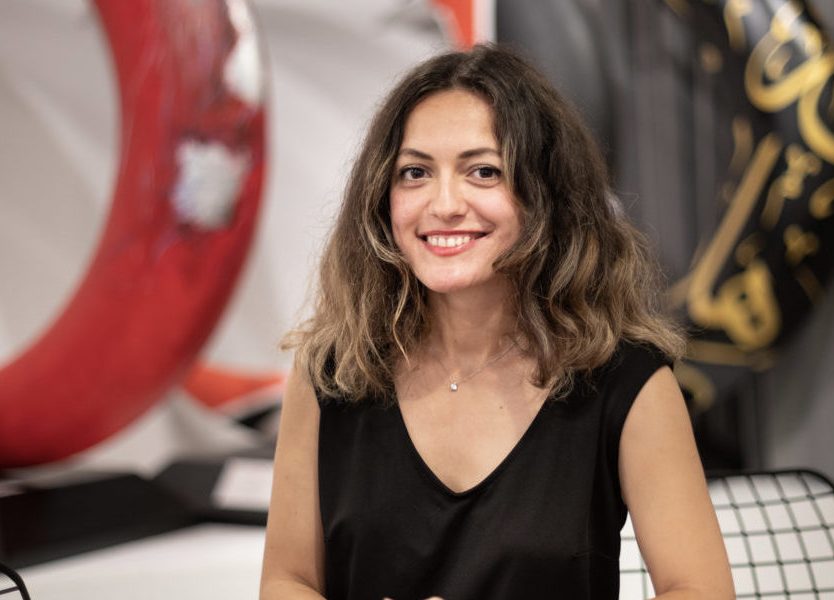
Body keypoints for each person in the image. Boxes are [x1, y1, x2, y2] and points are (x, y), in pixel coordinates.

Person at [259, 44, 734, 600]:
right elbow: (286, 581)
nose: (444, 204)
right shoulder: (331, 372)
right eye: (415, 173)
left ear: (547, 194)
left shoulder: (628, 382)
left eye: (484, 171)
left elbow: (700, 590)